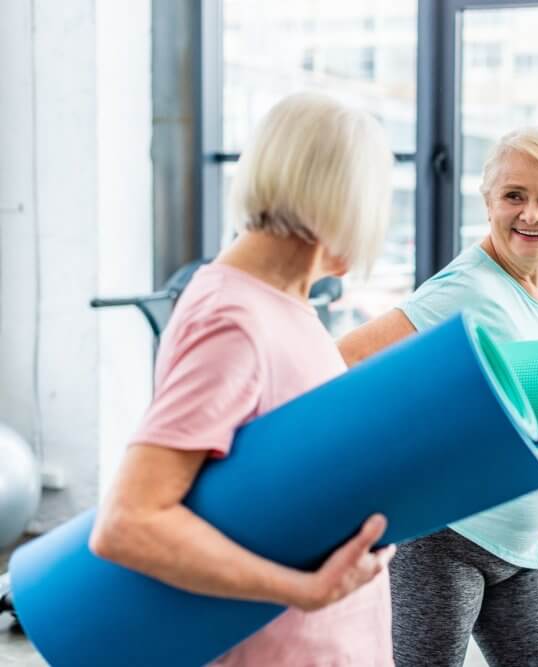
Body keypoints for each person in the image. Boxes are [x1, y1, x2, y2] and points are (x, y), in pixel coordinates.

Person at [89, 92, 397, 666]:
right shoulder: (233, 318)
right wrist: (303, 591)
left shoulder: (286, 305)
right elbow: (130, 522)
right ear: (341, 198)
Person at [338, 126, 538, 667]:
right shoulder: (466, 287)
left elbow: (537, 410)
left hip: (519, 546)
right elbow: (345, 360)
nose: (531, 215)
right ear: (488, 200)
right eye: (514, 196)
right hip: (443, 540)